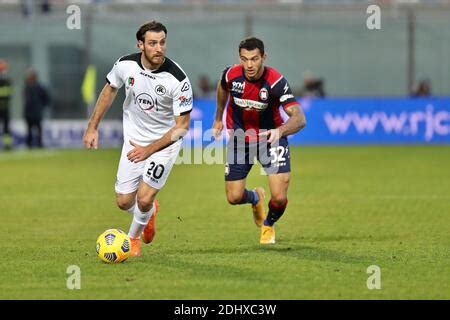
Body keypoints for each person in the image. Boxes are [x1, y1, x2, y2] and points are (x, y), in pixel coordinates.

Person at [82, 21, 193, 257]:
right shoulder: (125, 65)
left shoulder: (177, 80)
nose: (159, 48)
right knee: (123, 201)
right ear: (140, 44)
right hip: (133, 142)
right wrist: (92, 127)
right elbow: (110, 90)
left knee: (143, 198)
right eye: (152, 43)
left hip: (164, 144)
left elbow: (182, 127)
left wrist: (149, 149)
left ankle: (132, 239)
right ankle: (149, 214)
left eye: (162, 42)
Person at [212, 37, 306, 244]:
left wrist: (280, 131)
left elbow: (299, 118)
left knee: (280, 197)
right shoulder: (231, 75)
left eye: (254, 59)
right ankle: (255, 198)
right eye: (245, 59)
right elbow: (222, 87)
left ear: (263, 57)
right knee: (234, 197)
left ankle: (268, 224)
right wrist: (218, 117)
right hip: (240, 137)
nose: (249, 65)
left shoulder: (275, 82)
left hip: (271, 138)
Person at [24, 69, 50, 148]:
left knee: (38, 130)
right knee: (29, 130)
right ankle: (29, 145)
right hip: (28, 113)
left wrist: (41, 107)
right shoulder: (27, 87)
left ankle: (39, 144)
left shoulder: (40, 87)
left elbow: (47, 99)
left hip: (37, 113)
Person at [0, 59, 13, 151]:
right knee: (6, 128)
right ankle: (7, 145)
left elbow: (8, 93)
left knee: (6, 128)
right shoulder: (7, 81)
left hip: (5, 108)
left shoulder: (7, 81)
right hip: (5, 108)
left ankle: (7, 145)